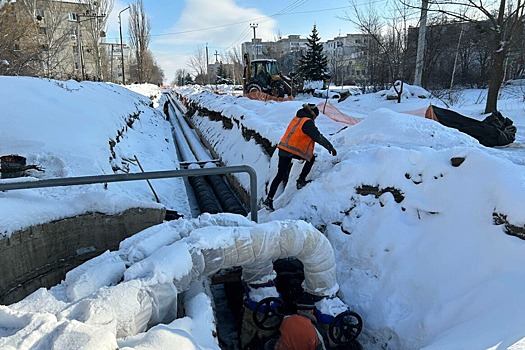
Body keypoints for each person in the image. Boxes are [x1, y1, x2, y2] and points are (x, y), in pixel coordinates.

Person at [263, 103, 337, 211]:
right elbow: (318, 137)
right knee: (311, 159)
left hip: (284, 148)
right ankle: (301, 181)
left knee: (280, 175)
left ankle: (269, 199)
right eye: (315, 116)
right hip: (293, 150)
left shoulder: (298, 118)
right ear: (313, 114)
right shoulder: (307, 122)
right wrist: (329, 147)